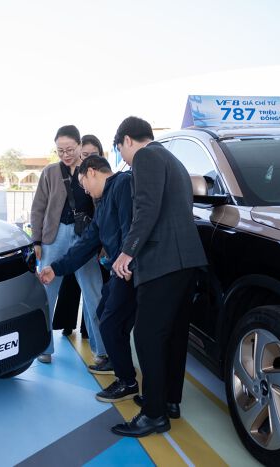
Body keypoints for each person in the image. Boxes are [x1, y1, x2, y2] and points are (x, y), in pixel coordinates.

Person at [109, 116, 207, 437]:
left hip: (162, 261)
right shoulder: (172, 159)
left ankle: (153, 414)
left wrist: (128, 251)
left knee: (147, 335)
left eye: (120, 150)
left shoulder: (146, 157)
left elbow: (146, 208)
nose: (124, 159)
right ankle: (167, 400)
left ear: (127, 140)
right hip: (186, 261)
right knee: (174, 334)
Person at [39, 155, 138, 402]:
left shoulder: (123, 183)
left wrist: (127, 258)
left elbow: (131, 225)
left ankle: (127, 381)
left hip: (130, 268)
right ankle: (120, 366)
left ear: (91, 172)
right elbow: (86, 244)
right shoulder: (102, 203)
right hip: (121, 269)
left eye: (83, 182)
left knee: (110, 321)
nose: (84, 189)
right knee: (106, 313)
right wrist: (56, 268)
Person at [30, 125, 104, 364]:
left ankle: (102, 351)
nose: (65, 155)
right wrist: (37, 240)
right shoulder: (50, 172)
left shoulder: (91, 171)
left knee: (94, 293)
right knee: (47, 291)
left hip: (86, 237)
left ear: (80, 145)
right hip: (54, 236)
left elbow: (101, 207)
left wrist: (102, 241)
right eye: (60, 151)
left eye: (70, 149)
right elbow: (38, 207)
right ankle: (44, 347)